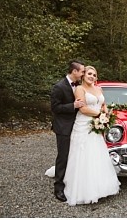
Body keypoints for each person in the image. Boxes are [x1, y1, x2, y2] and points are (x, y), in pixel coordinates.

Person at [46, 66, 120, 206]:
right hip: (84, 124)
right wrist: (100, 115)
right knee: (81, 154)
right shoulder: (79, 89)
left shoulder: (99, 89)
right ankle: (77, 187)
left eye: (95, 74)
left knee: (96, 153)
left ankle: (100, 186)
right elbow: (83, 108)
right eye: (89, 73)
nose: (92, 76)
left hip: (97, 124)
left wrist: (106, 113)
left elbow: (103, 104)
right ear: (84, 75)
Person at [50, 60, 85, 202]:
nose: (83, 73)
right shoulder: (59, 87)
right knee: (63, 156)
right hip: (63, 127)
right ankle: (58, 188)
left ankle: (72, 182)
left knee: (75, 155)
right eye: (82, 71)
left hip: (77, 126)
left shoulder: (79, 86)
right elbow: (55, 108)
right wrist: (73, 105)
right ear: (74, 71)